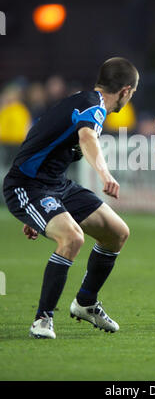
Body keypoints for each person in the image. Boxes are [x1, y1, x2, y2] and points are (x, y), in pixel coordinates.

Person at [3, 57, 139, 339]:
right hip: (28, 186)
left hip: (55, 185)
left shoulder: (81, 101)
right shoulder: (94, 107)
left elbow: (43, 138)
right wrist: (105, 175)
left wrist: (39, 216)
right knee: (72, 238)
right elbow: (87, 137)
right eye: (132, 94)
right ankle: (42, 319)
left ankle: (86, 302)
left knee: (117, 233)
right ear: (125, 91)